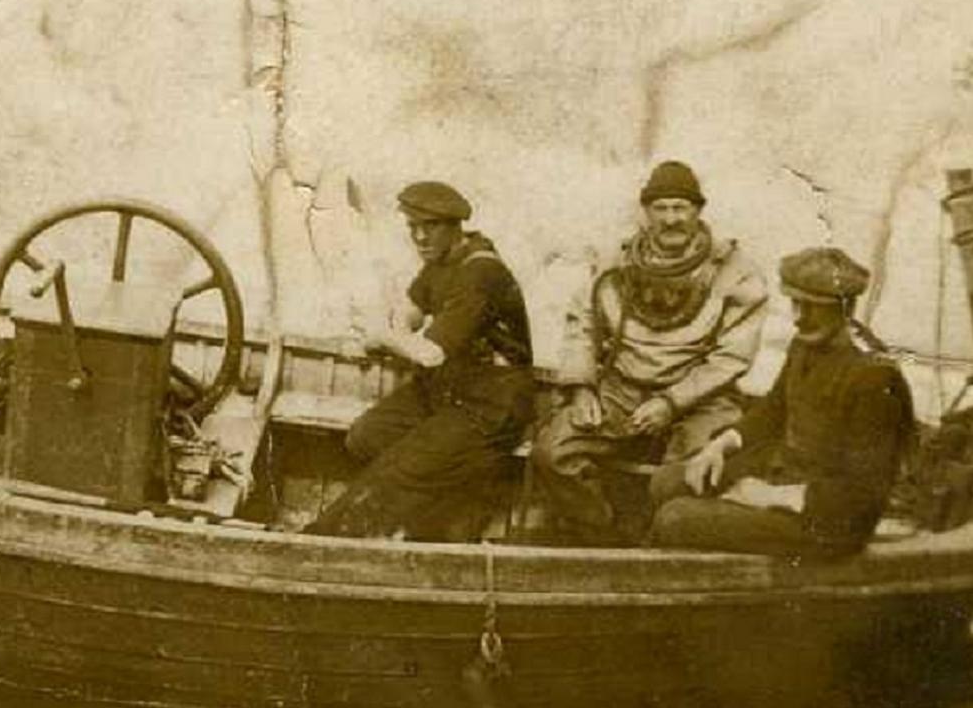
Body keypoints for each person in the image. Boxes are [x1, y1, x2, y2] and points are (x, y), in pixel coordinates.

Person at [532, 161, 768, 544]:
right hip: (620, 388)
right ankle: (603, 537)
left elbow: (731, 357)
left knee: (695, 471)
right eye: (661, 208)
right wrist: (582, 388)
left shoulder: (736, 273)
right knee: (552, 452)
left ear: (698, 211)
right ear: (646, 212)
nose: (671, 219)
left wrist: (672, 401)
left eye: (681, 208)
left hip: (700, 396)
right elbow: (583, 322)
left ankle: (663, 549)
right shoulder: (615, 263)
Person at [305, 181, 536, 541]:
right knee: (366, 437)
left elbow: (430, 354)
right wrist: (384, 329)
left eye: (430, 227)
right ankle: (434, 504)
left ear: (454, 227)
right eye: (413, 228)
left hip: (490, 408)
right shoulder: (442, 261)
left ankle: (321, 541)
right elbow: (409, 314)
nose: (420, 237)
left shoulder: (480, 272)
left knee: (397, 472)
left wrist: (383, 336)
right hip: (448, 391)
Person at [650, 247, 915, 558]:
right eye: (795, 303)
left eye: (812, 307)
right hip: (789, 475)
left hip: (828, 521)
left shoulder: (874, 377)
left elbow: (861, 494)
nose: (799, 318)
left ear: (844, 308)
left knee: (676, 518)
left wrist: (765, 495)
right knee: (667, 482)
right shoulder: (808, 341)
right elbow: (773, 410)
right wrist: (720, 445)